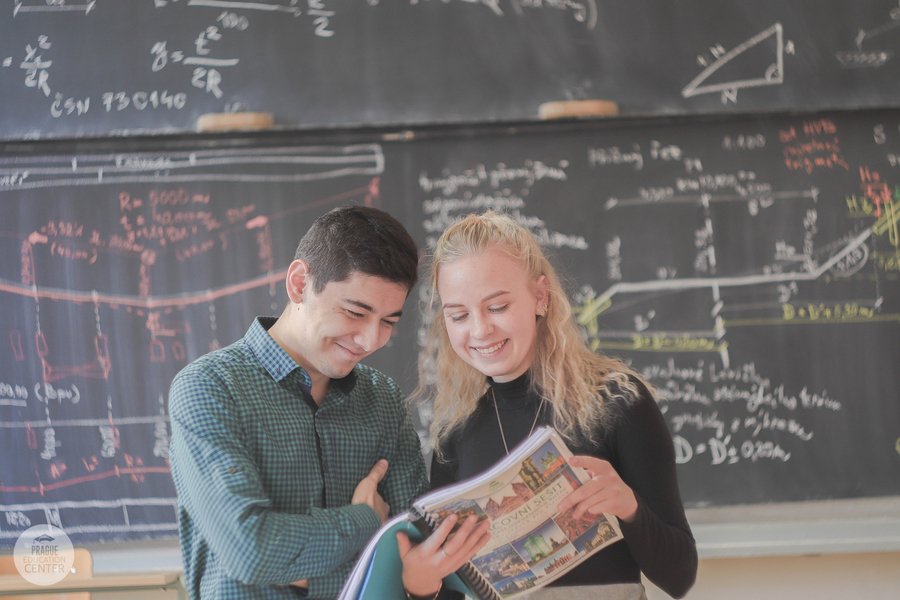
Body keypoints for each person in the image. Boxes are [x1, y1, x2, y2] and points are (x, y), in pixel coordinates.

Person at [398, 211, 698, 599]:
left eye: (497, 307)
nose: (480, 330)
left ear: (540, 296)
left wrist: (629, 506)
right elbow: (453, 590)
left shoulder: (618, 400)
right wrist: (421, 586)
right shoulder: (457, 430)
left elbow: (680, 576)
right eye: (458, 315)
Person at [168, 206, 432, 599]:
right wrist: (365, 520)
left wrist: (298, 564)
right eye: (354, 312)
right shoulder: (209, 387)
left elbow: (414, 547)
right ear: (299, 284)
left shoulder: (383, 399)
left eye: (389, 322)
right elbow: (250, 550)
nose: (370, 340)